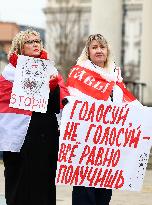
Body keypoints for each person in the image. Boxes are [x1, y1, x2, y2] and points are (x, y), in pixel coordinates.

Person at [66, 34, 139, 205]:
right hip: (86, 143)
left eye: (102, 47)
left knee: (104, 194)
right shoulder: (79, 73)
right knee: (85, 192)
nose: (99, 50)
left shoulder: (115, 76)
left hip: (107, 145)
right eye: (94, 47)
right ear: (88, 52)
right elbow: (73, 104)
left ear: (107, 51)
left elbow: (126, 104)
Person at [0, 29, 69, 205]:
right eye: (30, 42)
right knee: (19, 181)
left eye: (38, 41)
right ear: (20, 47)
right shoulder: (8, 75)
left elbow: (57, 105)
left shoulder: (51, 71)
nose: (35, 44)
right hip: (21, 136)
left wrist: (53, 89)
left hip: (45, 135)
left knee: (44, 182)